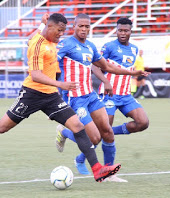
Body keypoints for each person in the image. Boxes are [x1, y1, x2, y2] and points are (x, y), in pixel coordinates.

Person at [0, 13, 121, 183]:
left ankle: (97, 169)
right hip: (32, 94)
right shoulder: (38, 45)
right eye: (59, 30)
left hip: (51, 96)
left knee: (77, 125)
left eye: (63, 31)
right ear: (50, 27)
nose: (61, 34)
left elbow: (32, 39)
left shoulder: (51, 40)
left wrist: (41, 25)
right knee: (2, 127)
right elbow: (36, 75)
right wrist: (61, 84)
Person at [54, 14, 149, 182]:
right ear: (74, 26)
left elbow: (106, 66)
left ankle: (109, 174)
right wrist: (55, 86)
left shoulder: (90, 46)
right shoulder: (66, 44)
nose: (83, 29)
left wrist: (132, 72)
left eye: (86, 27)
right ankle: (65, 132)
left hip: (91, 96)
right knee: (94, 138)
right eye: (80, 26)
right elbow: (50, 63)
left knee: (107, 132)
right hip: (75, 98)